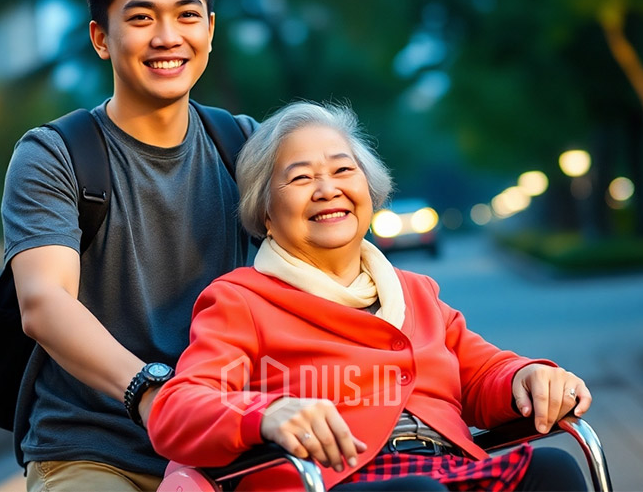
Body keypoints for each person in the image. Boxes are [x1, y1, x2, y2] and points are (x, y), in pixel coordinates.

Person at [149, 102, 592, 491]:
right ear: (265, 212)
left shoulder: (417, 292)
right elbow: (179, 406)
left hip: (448, 468)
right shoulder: (240, 300)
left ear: (369, 191)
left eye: (343, 170)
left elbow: (479, 376)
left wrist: (527, 377)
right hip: (333, 479)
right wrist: (264, 413)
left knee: (553, 470)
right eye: (301, 178)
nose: (328, 189)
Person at [0, 0, 254, 492]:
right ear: (101, 37)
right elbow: (43, 303)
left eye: (188, 16)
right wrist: (153, 392)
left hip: (234, 443)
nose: (168, 36)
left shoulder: (245, 147)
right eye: (141, 18)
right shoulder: (53, 154)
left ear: (210, 31)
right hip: (96, 447)